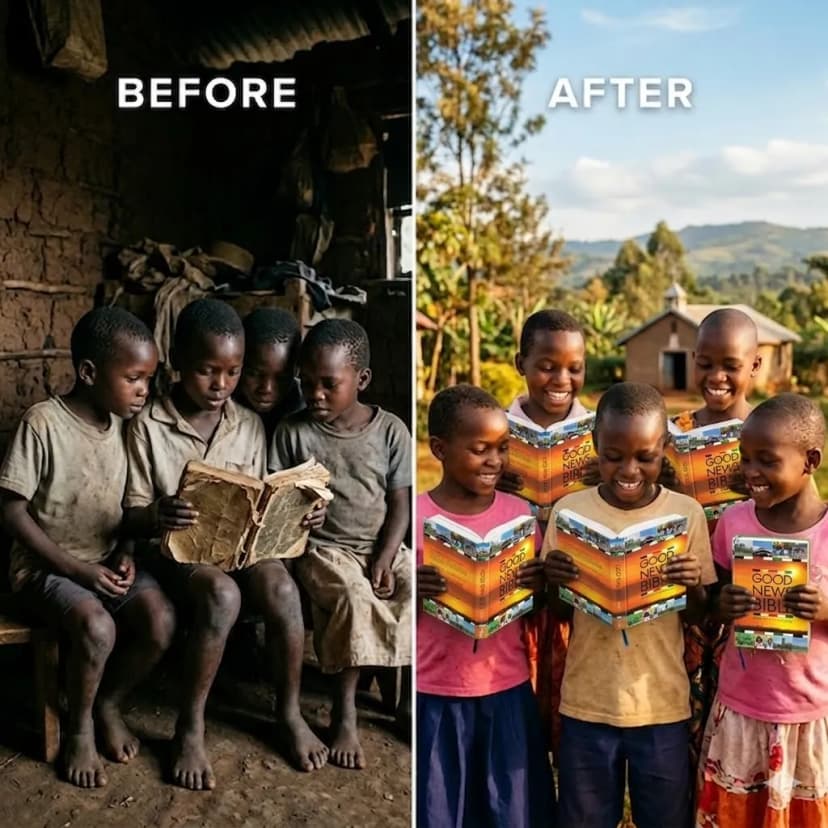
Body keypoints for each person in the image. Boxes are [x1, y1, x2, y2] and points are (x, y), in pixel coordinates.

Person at [124, 298, 326, 790]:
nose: (221, 386)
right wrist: (156, 514)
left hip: (238, 549)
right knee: (222, 593)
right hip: (175, 554)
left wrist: (300, 511)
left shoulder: (249, 424)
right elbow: (129, 511)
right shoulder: (147, 426)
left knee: (281, 589)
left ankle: (289, 712)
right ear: (176, 361)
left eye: (233, 372)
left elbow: (257, 498)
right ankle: (190, 726)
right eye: (206, 371)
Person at [0, 307, 174, 788]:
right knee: (98, 628)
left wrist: (127, 549)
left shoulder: (125, 428)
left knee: (160, 622)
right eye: (134, 378)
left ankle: (107, 702)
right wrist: (76, 570)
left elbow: (124, 511)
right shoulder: (43, 424)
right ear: (90, 372)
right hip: (44, 568)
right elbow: (11, 512)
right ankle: (78, 727)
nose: (144, 390)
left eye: (149, 379)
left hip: (103, 562)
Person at [544, 382, 716, 828]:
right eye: (614, 455)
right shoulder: (569, 513)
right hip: (586, 703)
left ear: (664, 450)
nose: (629, 469)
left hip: (661, 704)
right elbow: (560, 615)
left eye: (645, 456)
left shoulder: (686, 515)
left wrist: (693, 586)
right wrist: (555, 582)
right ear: (595, 446)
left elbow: (697, 616)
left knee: (664, 817)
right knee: (583, 818)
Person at [270, 318, 412, 769]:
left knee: (418, 592)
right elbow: (277, 502)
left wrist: (387, 558)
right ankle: (345, 709)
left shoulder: (390, 431)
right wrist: (300, 512)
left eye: (329, 384)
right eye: (306, 383)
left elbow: (400, 507)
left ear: (361, 380)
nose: (315, 394)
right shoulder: (293, 433)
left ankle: (408, 701)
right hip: (322, 550)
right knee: (353, 597)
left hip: (380, 545)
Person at [417, 384, 553, 828]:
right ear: (439, 448)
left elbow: (536, 610)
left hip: (506, 689)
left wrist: (537, 586)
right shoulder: (416, 518)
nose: (495, 460)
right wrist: (411, 588)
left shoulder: (519, 515)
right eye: (480, 450)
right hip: (436, 694)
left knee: (510, 809)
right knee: (442, 808)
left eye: (502, 448)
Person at [696, 394, 828, 828]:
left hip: (809, 715)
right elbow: (710, 603)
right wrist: (723, 604)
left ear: (810, 460)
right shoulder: (734, 521)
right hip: (742, 708)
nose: (750, 473)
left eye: (766, 461)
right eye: (745, 458)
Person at [500, 309, 592, 761]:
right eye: (547, 365)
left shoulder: (599, 434)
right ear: (521, 363)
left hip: (576, 589)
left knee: (572, 696)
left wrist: (606, 480)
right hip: (514, 586)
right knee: (522, 702)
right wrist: (487, 483)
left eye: (574, 368)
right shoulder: (494, 431)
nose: (562, 378)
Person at [672, 308, 761, 766]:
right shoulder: (675, 433)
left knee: (737, 727)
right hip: (685, 601)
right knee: (686, 719)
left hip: (744, 604)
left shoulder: (770, 438)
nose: (717, 376)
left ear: (755, 365)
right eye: (706, 363)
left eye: (731, 365)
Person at [235, 307, 304, 443]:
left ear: (296, 371)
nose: (266, 389)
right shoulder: (221, 404)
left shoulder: (305, 409)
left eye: (281, 378)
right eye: (253, 374)